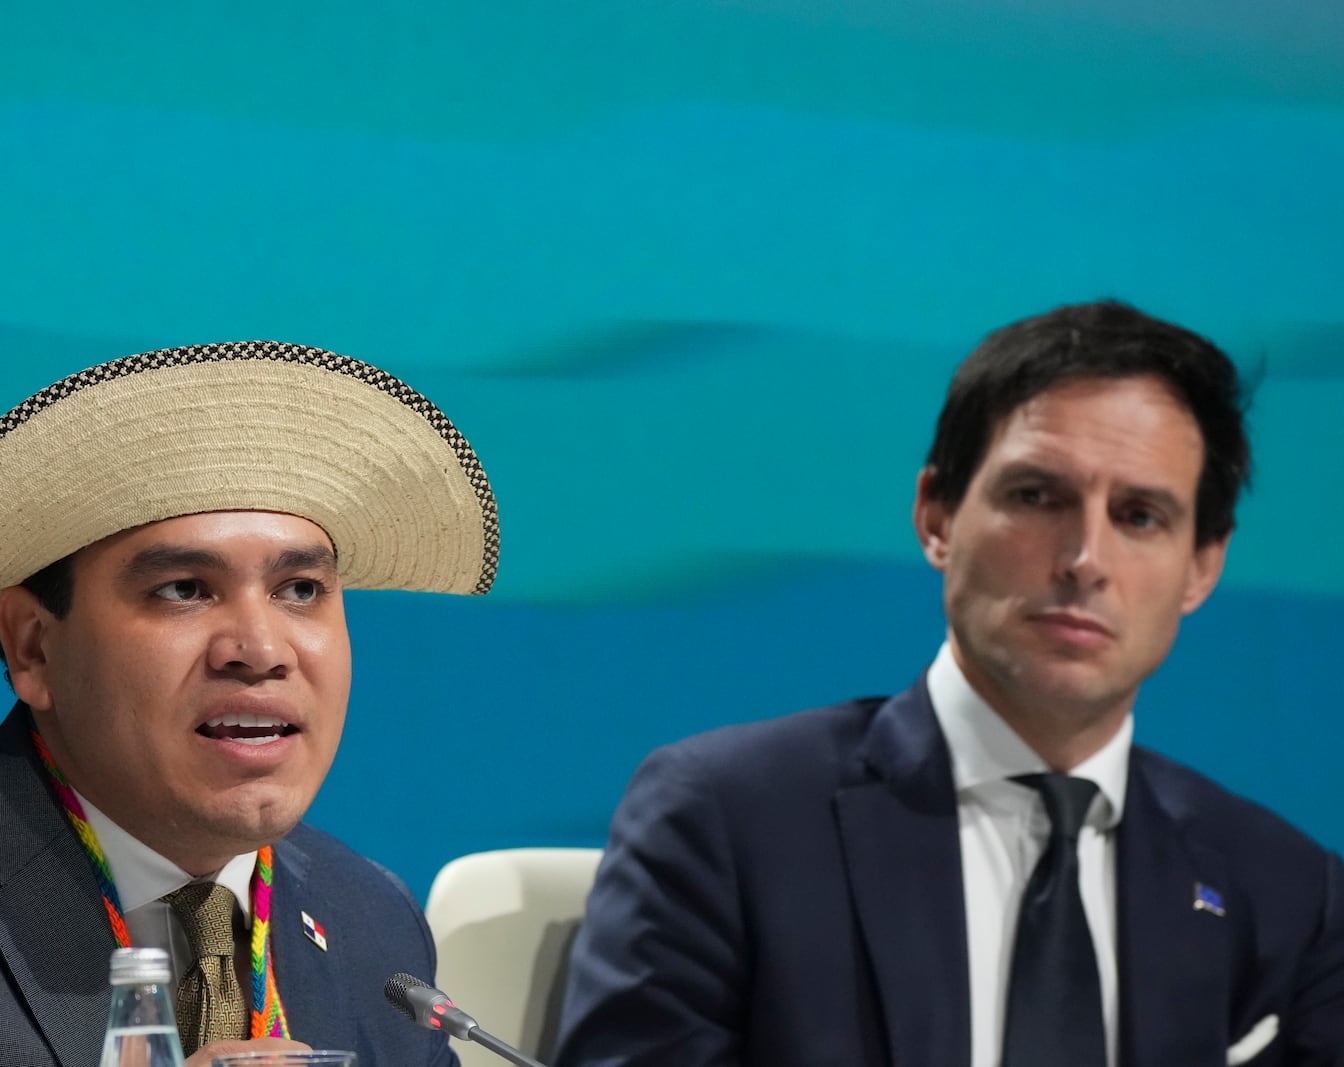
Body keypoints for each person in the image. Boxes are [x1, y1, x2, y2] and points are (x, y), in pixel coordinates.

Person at [554, 301, 1344, 1067]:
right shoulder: (728, 820)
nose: (1084, 558)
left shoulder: (1287, 894)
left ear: (1202, 567)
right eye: (1038, 496)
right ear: (936, 515)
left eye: (1139, 515)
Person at [0, 341, 500, 1067]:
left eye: (299, 589)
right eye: (183, 589)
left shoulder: (371, 919)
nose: (261, 648)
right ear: (32, 647)